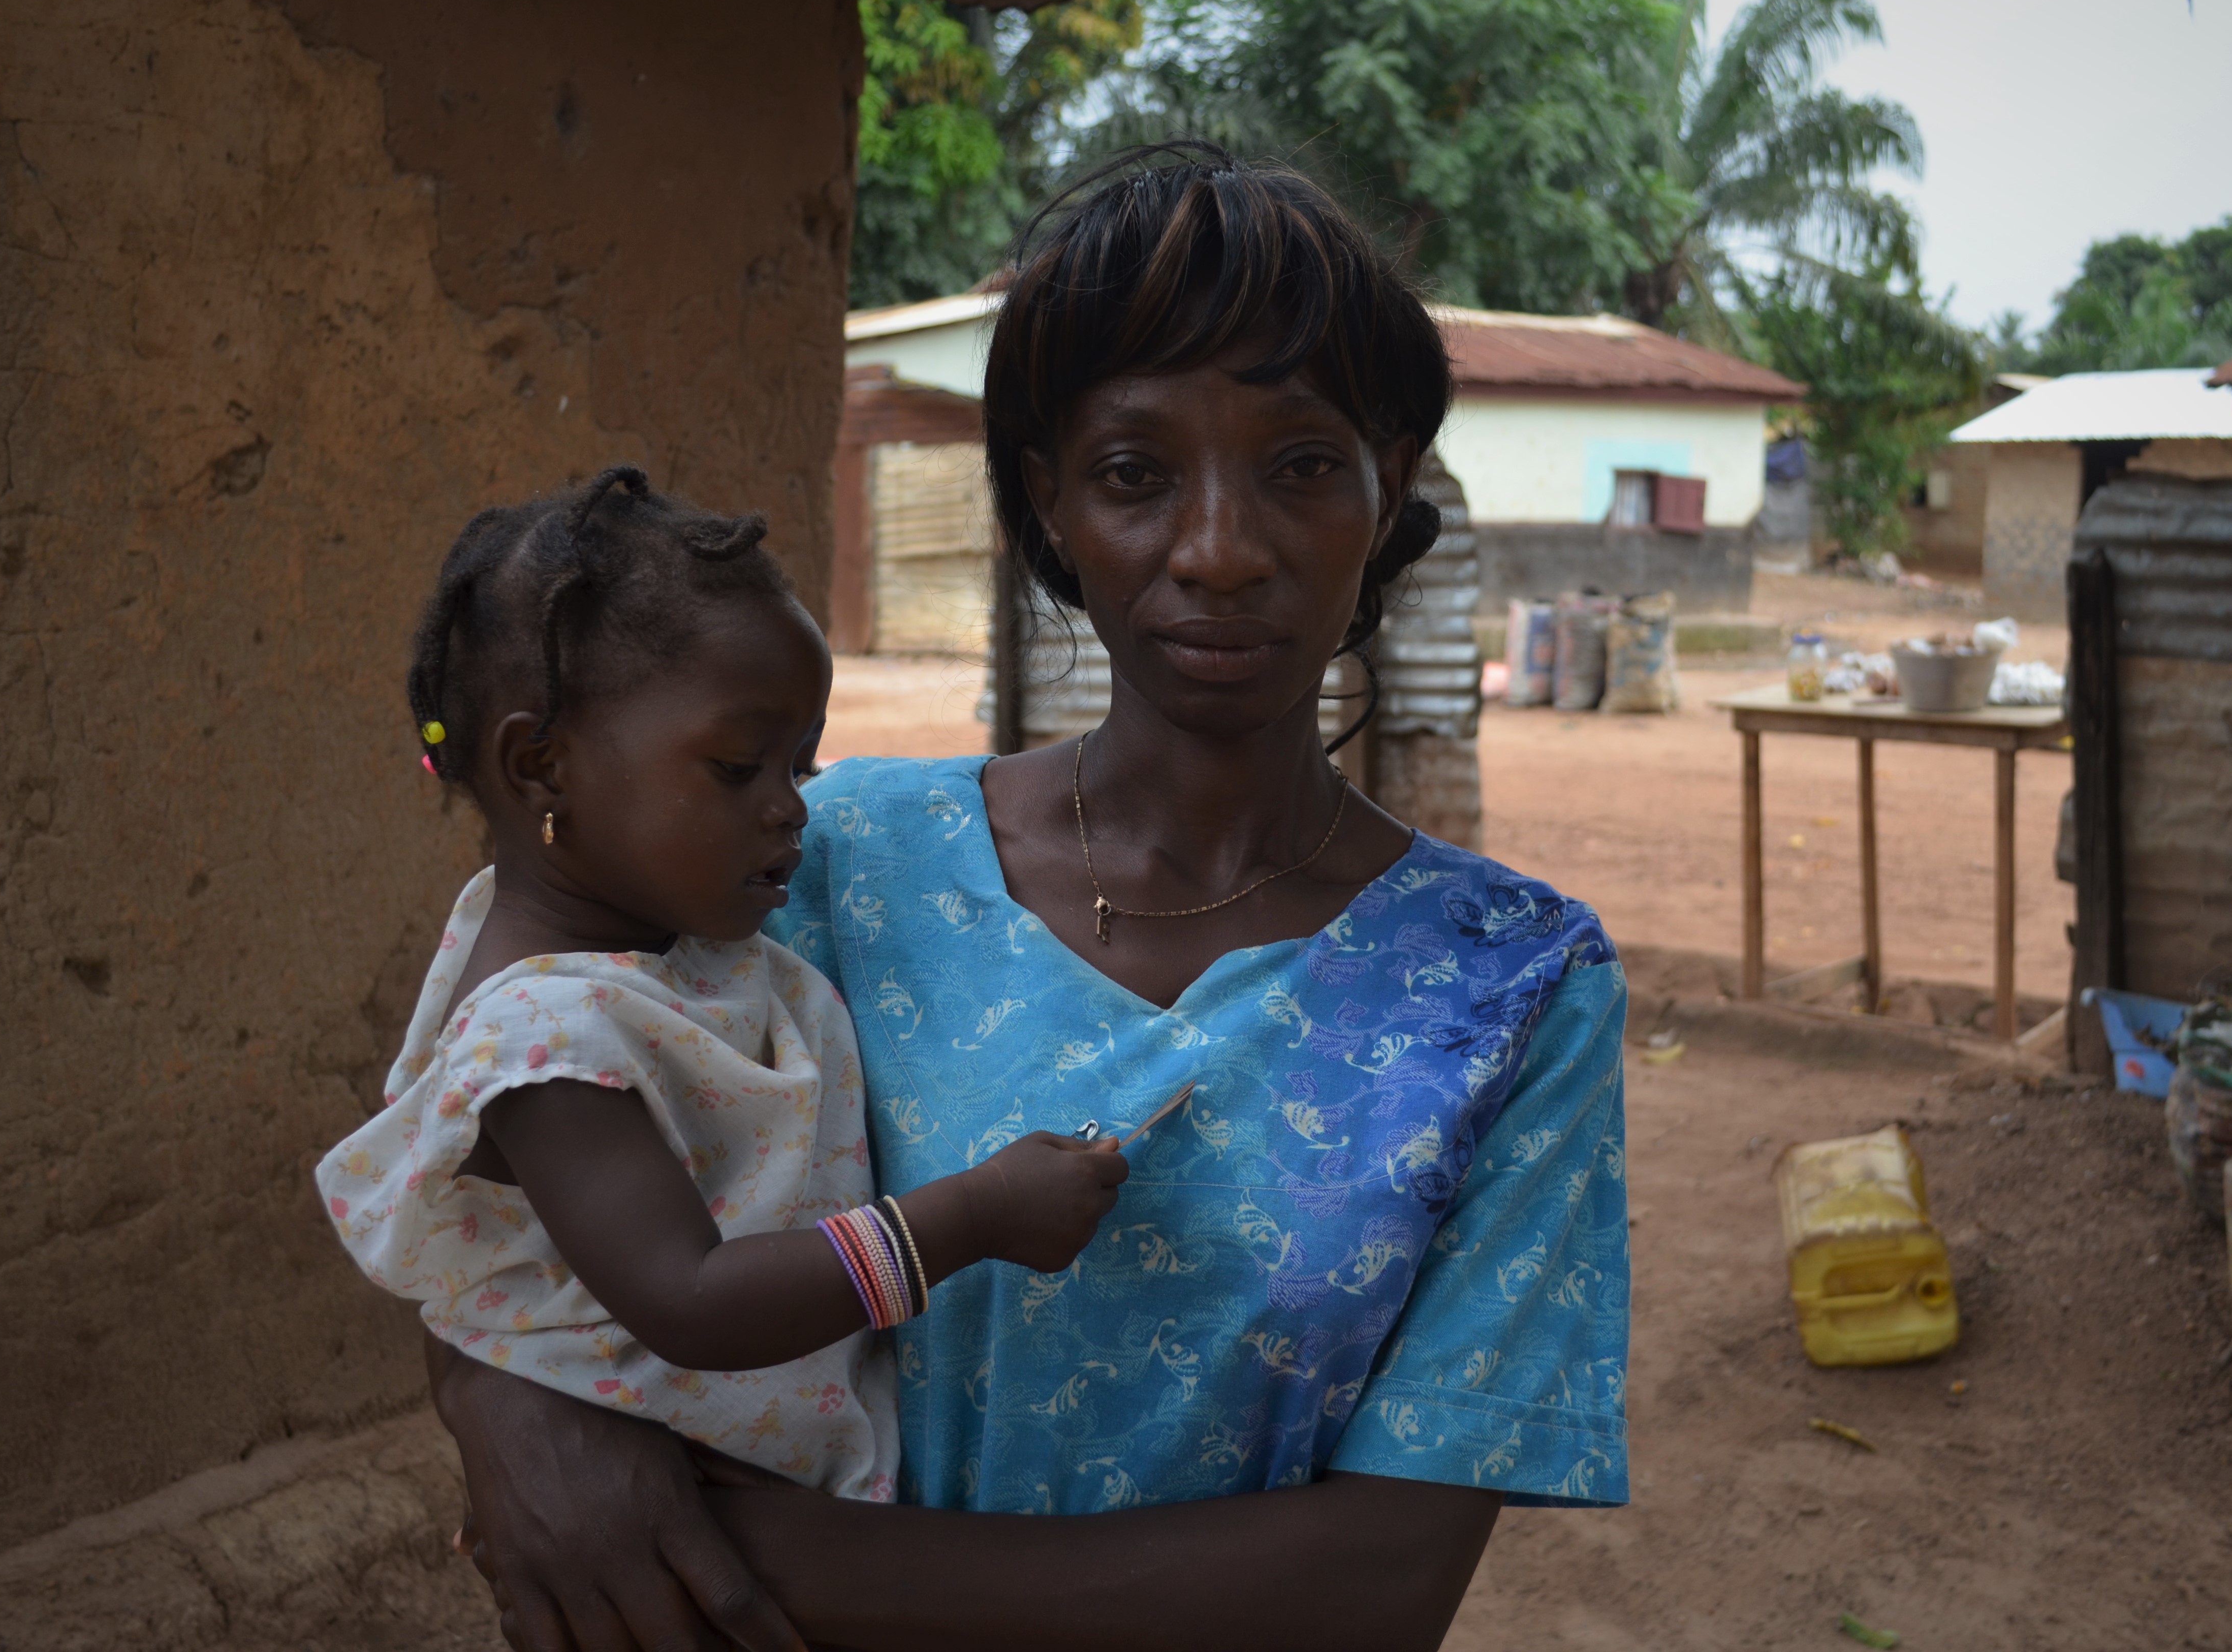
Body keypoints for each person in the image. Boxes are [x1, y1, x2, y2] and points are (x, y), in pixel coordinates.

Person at [429, 146, 1630, 1652]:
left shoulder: (1512, 987)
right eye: (1136, 475)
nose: (1217, 548)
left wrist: (744, 1549)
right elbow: (499, 1115)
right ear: (1048, 505)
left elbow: (1383, 1579)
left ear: (1390, 496)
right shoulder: (821, 863)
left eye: (1302, 465)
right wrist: (495, 1399)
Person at [317, 469, 1130, 1554]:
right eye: (740, 767)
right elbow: (690, 1301)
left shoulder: (655, 943)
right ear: (539, 766)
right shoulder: (544, 1039)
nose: (793, 807)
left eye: (803, 762)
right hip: (672, 1545)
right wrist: (971, 1219)